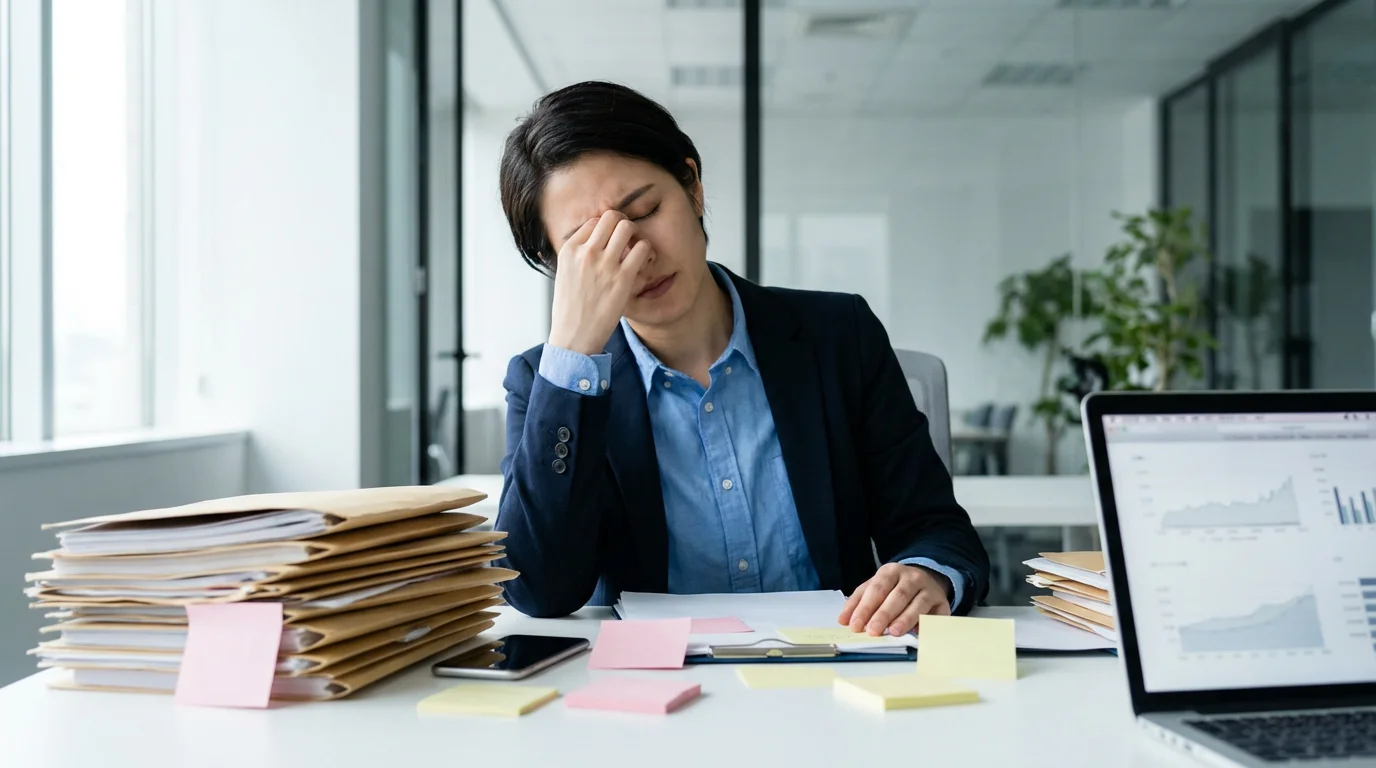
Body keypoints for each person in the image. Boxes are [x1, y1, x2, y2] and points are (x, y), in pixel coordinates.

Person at [493, 81, 990, 636]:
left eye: (647, 210)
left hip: (836, 677)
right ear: (559, 265)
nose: (639, 256)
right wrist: (573, 353)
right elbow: (538, 588)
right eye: (593, 246)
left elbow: (937, 529)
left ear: (693, 187)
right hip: (655, 691)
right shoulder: (547, 381)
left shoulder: (838, 336)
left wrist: (927, 574)